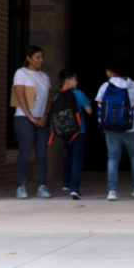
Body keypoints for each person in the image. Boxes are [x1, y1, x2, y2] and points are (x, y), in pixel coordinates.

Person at [95, 66, 134, 200]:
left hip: (110, 128)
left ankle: (112, 191)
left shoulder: (105, 86)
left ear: (111, 71)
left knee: (113, 157)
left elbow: (100, 106)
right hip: (131, 128)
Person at [12, 45, 53, 199]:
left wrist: (45, 115)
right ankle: (20, 185)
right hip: (24, 118)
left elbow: (49, 97)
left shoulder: (44, 76)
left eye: (42, 57)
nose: (40, 60)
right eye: (37, 57)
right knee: (25, 150)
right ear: (29, 58)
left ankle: (42, 186)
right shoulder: (21, 73)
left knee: (42, 153)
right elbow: (20, 95)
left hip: (42, 119)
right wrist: (30, 117)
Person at [55, 70, 93, 200]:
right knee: (77, 158)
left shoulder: (57, 97)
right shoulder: (78, 93)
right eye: (75, 79)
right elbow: (89, 111)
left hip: (65, 132)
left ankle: (66, 183)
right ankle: (74, 189)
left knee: (69, 156)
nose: (77, 82)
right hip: (79, 131)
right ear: (68, 81)